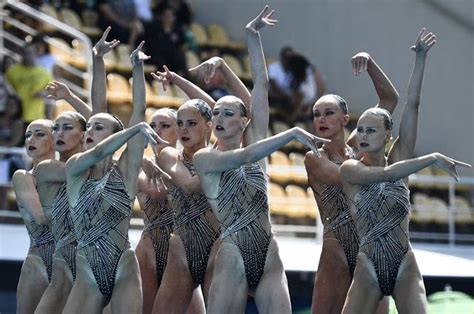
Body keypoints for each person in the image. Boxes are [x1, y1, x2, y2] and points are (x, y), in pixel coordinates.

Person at [192, 7, 327, 313]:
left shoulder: (256, 140)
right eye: (216, 113)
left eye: (228, 113)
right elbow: (249, 155)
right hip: (232, 251)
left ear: (244, 121)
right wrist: (292, 132)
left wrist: (253, 37)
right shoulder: (205, 158)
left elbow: (261, 86)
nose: (219, 118)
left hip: (267, 252)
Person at [339, 29, 470, 313]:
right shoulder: (351, 169)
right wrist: (432, 158)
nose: (361, 135)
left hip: (404, 264)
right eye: (359, 129)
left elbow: (412, 104)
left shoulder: (400, 156)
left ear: (388, 135)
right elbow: (388, 175)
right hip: (368, 267)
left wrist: (420, 59)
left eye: (370, 130)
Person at [62, 42, 160, 313]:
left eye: (98, 127)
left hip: (124, 266)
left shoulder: (126, 172)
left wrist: (137, 67)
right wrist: (97, 60)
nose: (90, 129)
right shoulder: (76, 166)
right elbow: (103, 139)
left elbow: (139, 114)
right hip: (88, 270)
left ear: (114, 136)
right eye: (89, 127)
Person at [305, 50, 401, 313]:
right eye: (316, 114)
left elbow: (390, 99)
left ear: (345, 119)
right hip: (336, 246)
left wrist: (369, 62)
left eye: (328, 112)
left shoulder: (356, 148)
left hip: (369, 244)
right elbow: (343, 178)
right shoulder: (313, 157)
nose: (321, 119)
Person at [11, 119, 55, 314]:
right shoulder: (23, 177)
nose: (31, 139)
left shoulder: (70, 173)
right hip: (39, 262)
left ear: (55, 140)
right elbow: (41, 218)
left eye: (39, 134)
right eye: (28, 134)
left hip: (70, 262)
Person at [5, 41, 53, 122]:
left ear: (36, 54)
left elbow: (51, 91)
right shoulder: (11, 72)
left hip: (37, 116)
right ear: (21, 54)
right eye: (25, 53)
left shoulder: (44, 73)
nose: (27, 56)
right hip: (16, 117)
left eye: (30, 53)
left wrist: (43, 93)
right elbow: (6, 92)